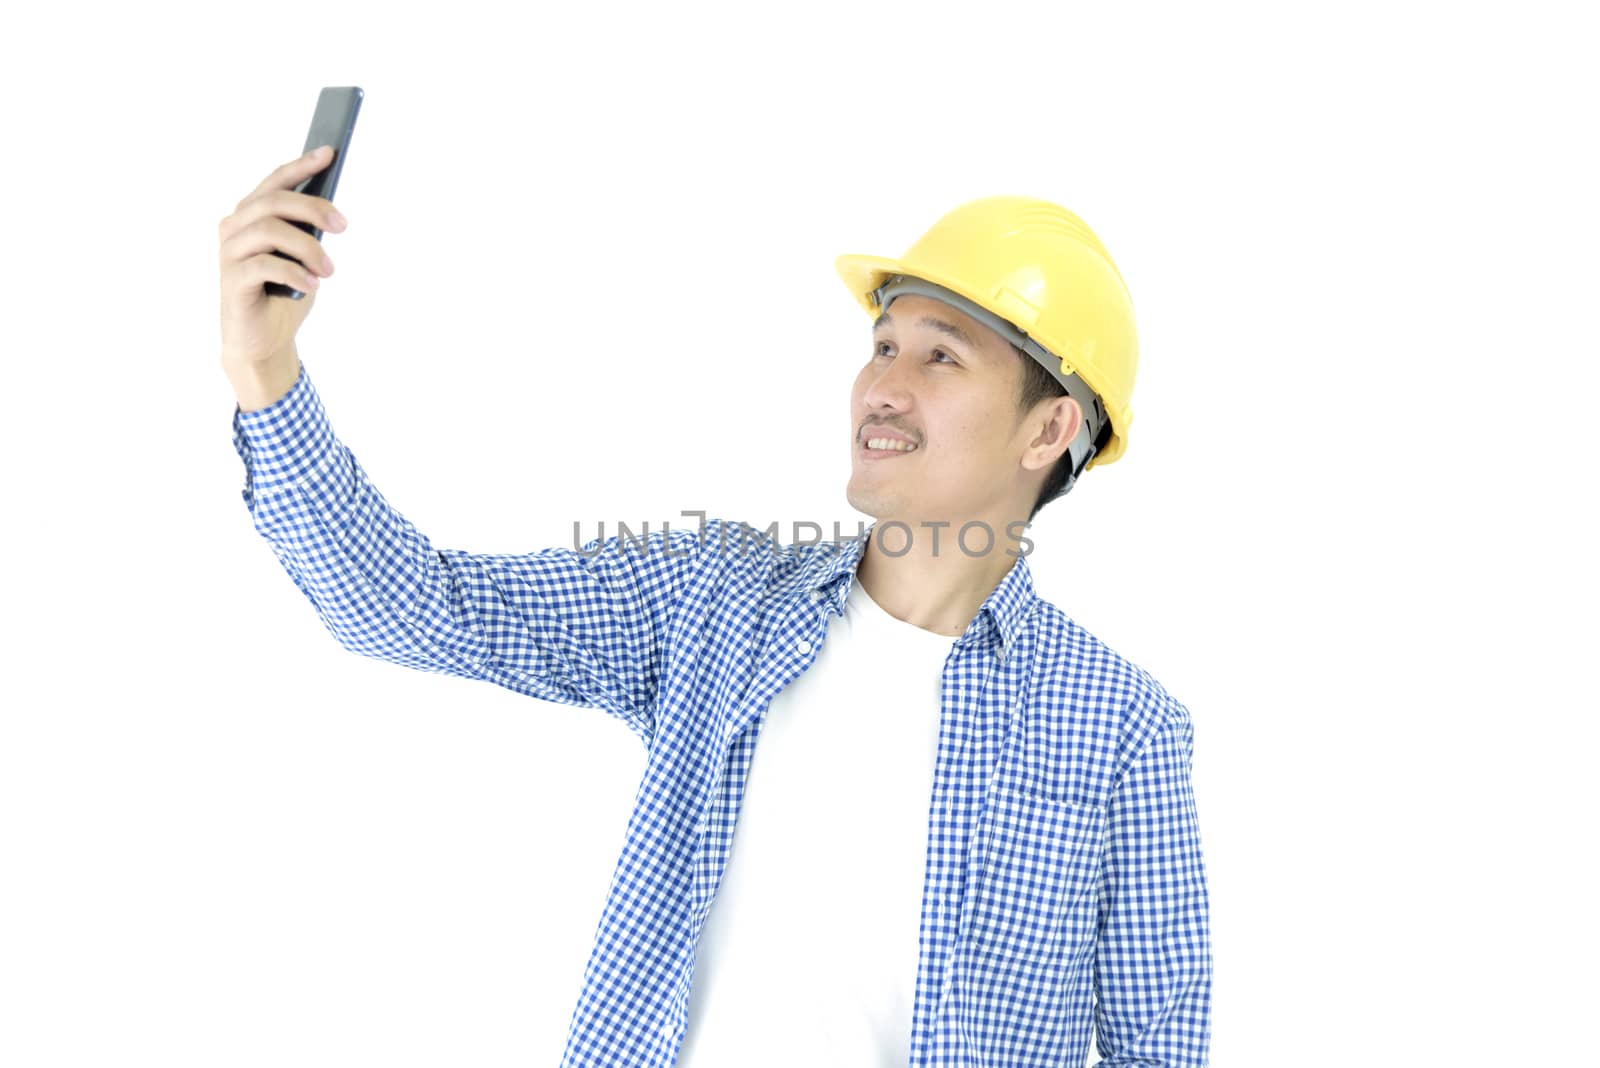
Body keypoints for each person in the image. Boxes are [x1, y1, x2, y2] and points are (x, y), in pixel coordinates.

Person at [219, 145, 1212, 1068]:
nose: (880, 387)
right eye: (881, 344)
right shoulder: (712, 602)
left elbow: (1157, 1051)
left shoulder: (1123, 729)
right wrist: (265, 374)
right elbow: (406, 606)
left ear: (1049, 429)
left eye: (939, 358)